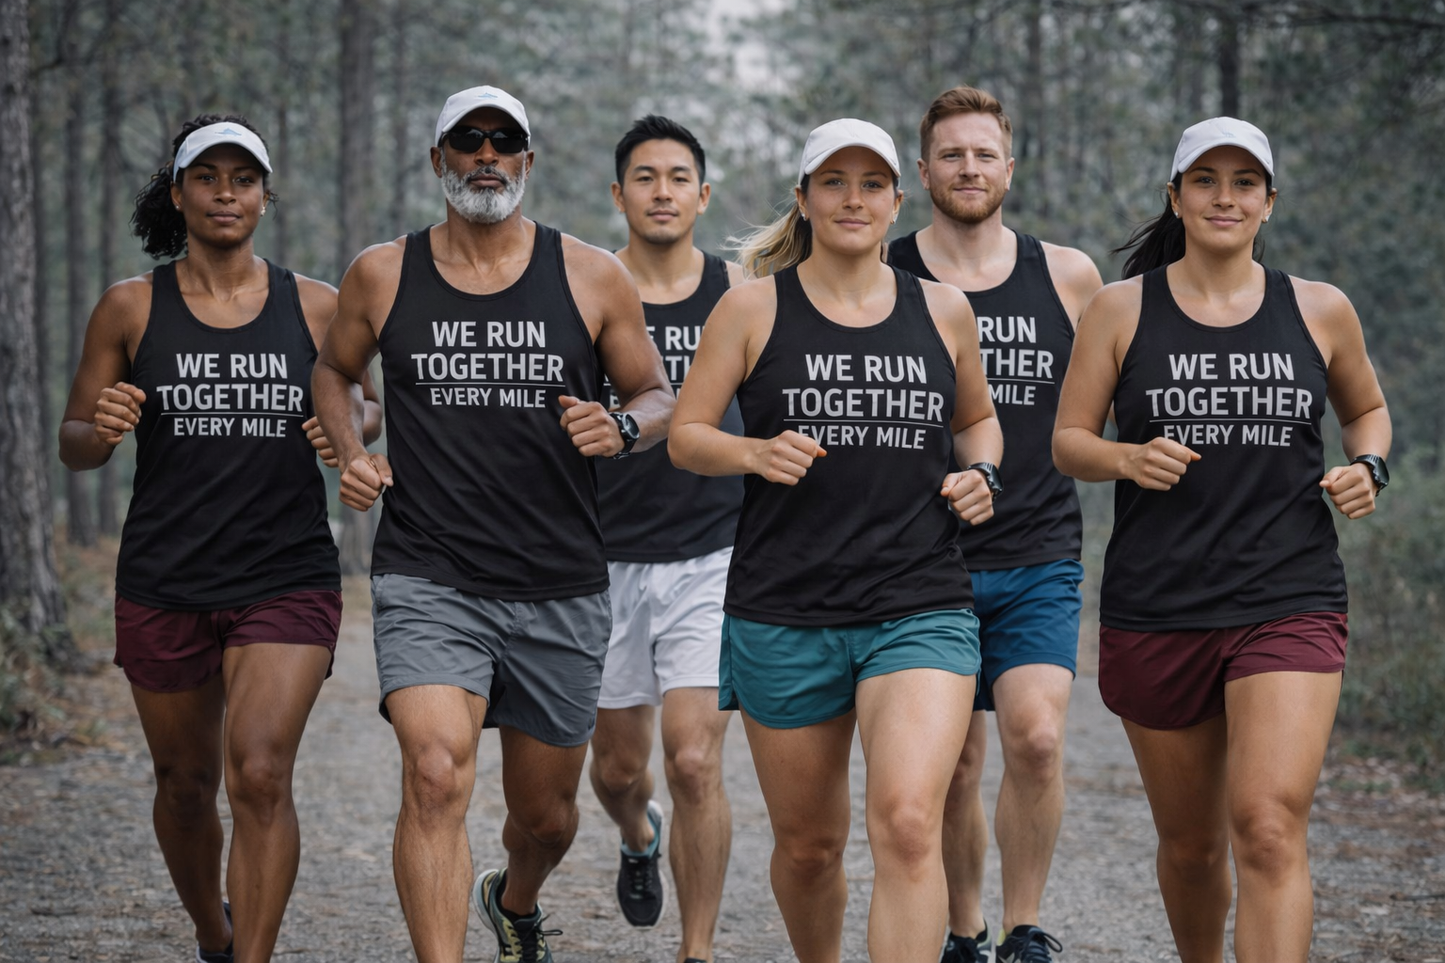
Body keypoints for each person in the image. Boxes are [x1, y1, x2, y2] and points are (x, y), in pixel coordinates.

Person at [311, 85, 674, 963]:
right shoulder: (383, 272)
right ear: (438, 160)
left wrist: (621, 427)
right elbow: (335, 371)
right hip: (429, 572)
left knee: (545, 818)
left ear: (527, 161)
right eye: (465, 141)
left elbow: (659, 393)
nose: (485, 155)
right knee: (434, 773)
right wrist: (349, 447)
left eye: (502, 141)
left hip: (559, 581)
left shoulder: (590, 273)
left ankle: (513, 901)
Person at [1053, 117, 1390, 962]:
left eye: (1244, 182)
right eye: (1205, 180)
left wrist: (1370, 466)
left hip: (1288, 594)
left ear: (1268, 202)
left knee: (1268, 825)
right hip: (1158, 602)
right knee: (1194, 846)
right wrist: (1126, 456)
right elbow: (1068, 440)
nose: (1224, 196)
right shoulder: (1118, 309)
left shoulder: (1318, 307)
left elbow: (1365, 413)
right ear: (1175, 196)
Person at [670, 118, 1003, 963]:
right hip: (784, 608)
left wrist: (982, 473)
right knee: (811, 847)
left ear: (898, 199)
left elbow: (979, 422)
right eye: (832, 182)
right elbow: (686, 434)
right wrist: (752, 450)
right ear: (804, 198)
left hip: (917, 602)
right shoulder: (750, 307)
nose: (851, 199)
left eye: (869, 183)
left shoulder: (943, 309)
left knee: (903, 823)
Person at [58, 115, 382, 963]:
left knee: (261, 772)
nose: (227, 192)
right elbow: (75, 443)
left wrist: (344, 429)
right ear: (180, 193)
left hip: (285, 574)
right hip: (165, 577)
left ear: (266, 196)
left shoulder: (314, 304)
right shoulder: (130, 307)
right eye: (208, 177)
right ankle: (213, 932)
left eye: (244, 178)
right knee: (185, 783)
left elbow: (368, 401)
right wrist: (103, 422)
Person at [888, 86, 1102, 963]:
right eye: (950, 154)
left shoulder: (1068, 275)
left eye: (983, 154)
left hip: (1037, 549)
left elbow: (1114, 397)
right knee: (953, 768)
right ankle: (963, 929)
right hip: (920, 560)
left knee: (1037, 737)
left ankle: (1024, 927)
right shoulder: (889, 270)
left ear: (1009, 168)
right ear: (923, 170)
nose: (968, 168)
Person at [587, 115, 746, 963]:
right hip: (601, 560)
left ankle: (697, 949)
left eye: (677, 177)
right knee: (619, 771)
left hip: (711, 557)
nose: (660, 191)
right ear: (618, 195)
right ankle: (637, 834)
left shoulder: (741, 293)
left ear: (702, 194)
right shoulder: (585, 289)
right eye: (643, 177)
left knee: (692, 759)